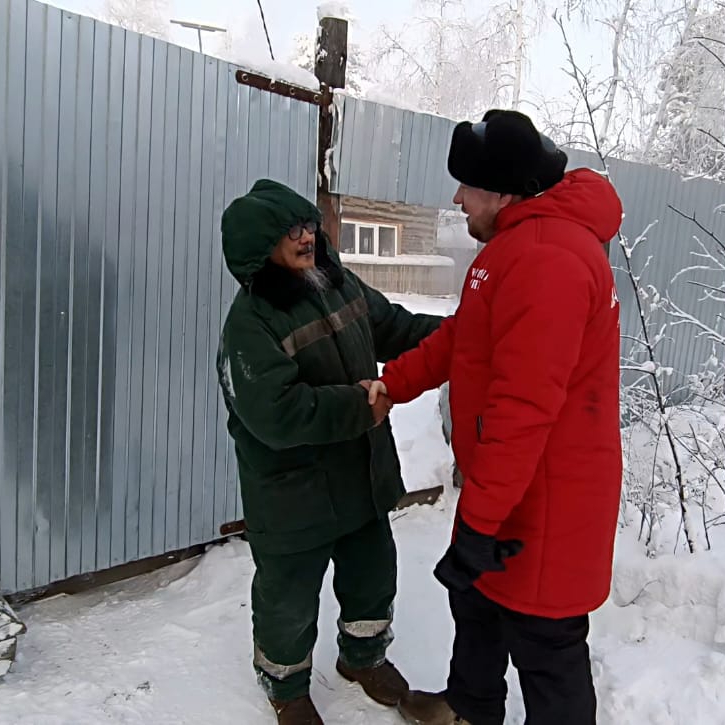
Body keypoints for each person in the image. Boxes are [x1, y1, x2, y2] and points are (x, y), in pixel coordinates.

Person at [368, 110, 625, 725]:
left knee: (547, 648)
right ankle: (469, 709)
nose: (457, 198)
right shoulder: (517, 245)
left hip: (546, 501)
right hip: (510, 489)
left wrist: (478, 525)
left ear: (504, 189)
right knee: (477, 604)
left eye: (468, 185)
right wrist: (391, 384)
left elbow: (524, 409)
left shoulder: (546, 257)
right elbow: (467, 339)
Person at [216, 179, 443, 725]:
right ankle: (287, 685)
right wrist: (361, 407)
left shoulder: (338, 284)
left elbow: (394, 327)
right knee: (288, 600)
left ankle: (363, 658)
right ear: (258, 247)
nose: (306, 236)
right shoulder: (250, 324)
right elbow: (277, 413)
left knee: (372, 573)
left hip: (359, 475)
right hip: (293, 493)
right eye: (290, 231)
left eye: (309, 225)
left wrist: (460, 336)